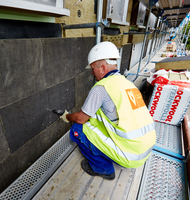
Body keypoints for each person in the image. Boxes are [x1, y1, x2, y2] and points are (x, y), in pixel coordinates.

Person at [60, 41, 156, 180]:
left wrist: (67, 116)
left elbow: (81, 119)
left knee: (77, 129)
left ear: (103, 68)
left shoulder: (101, 87)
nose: (92, 72)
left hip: (130, 155)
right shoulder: (128, 84)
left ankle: (104, 169)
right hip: (145, 149)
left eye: (93, 68)